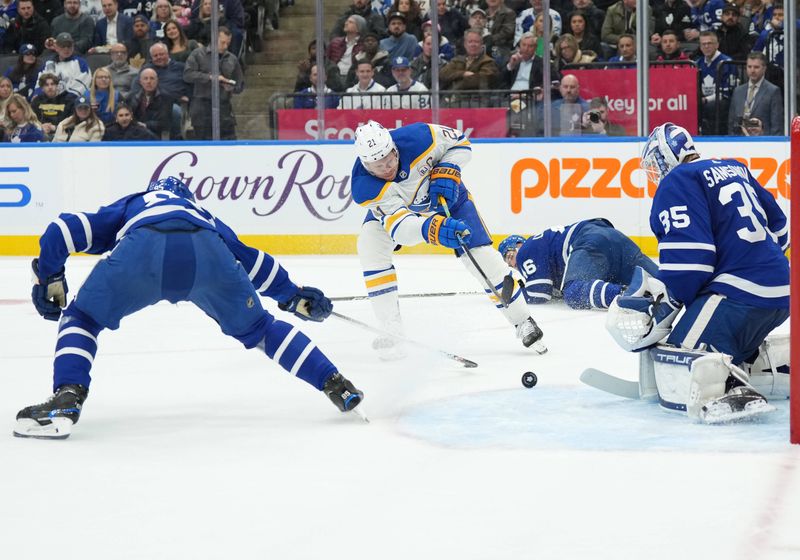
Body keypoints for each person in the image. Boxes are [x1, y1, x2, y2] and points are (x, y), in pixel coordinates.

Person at [13, 176, 364, 439]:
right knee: (261, 329)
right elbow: (252, 261)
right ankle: (336, 383)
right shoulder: (202, 213)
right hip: (206, 253)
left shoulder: (137, 202)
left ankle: (67, 395)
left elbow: (61, 228)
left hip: (142, 251)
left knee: (82, 318)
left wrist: (50, 276)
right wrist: (292, 295)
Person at [606, 123, 789, 422]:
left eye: (655, 164)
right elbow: (781, 227)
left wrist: (673, 298)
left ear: (666, 157)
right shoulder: (735, 168)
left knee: (677, 358)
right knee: (721, 337)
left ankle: (729, 390)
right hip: (783, 289)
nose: (655, 174)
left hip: (740, 292)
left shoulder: (677, 181)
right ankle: (776, 369)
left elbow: (693, 263)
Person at [351, 120, 545, 359]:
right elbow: (401, 228)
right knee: (370, 246)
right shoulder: (364, 187)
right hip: (408, 216)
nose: (387, 169)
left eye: (390, 160)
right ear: (365, 165)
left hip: (450, 198)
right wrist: (432, 229)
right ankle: (391, 329)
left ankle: (522, 320)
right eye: (378, 167)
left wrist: (448, 166)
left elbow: (460, 142)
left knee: (482, 258)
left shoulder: (420, 136)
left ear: (394, 148)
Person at [498, 218, 658, 309]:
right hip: (615, 239)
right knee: (663, 282)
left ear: (519, 245)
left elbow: (539, 295)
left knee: (574, 293)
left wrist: (515, 293)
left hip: (590, 241)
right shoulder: (540, 247)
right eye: (509, 263)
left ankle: (625, 294)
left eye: (510, 256)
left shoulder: (526, 250)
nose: (513, 264)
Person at [183, 26, 243, 140]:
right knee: (204, 144)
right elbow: (187, 75)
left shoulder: (232, 59)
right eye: (222, 42)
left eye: (228, 43)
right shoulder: (198, 54)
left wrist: (232, 87)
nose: (225, 46)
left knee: (229, 143)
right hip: (201, 106)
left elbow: (240, 84)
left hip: (224, 107)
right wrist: (210, 77)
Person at [727, 51, 782, 136]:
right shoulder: (738, 91)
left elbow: (776, 126)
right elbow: (731, 122)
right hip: (739, 143)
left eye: (756, 67)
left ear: (764, 68)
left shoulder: (773, 91)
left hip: (762, 143)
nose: (752, 70)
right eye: (749, 67)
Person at [35, 31, 91, 97]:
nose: (66, 49)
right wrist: (37, 95)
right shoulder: (48, 63)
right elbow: (40, 82)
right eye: (63, 46)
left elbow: (82, 86)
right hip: (48, 100)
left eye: (69, 46)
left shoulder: (81, 63)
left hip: (70, 102)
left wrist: (63, 100)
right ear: (56, 47)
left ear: (73, 47)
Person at [125, 67, 170, 137]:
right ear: (140, 82)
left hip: (154, 135)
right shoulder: (131, 97)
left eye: (152, 78)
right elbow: (127, 117)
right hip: (133, 132)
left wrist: (146, 125)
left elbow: (165, 123)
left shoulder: (165, 97)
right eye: (145, 78)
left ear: (157, 81)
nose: (149, 81)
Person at [31, 72, 73, 138]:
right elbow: (32, 120)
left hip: (62, 134)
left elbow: (71, 121)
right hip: (41, 134)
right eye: (46, 85)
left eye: (52, 84)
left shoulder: (68, 100)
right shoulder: (36, 101)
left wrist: (55, 128)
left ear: (57, 85)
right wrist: (41, 127)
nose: (50, 87)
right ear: (42, 88)